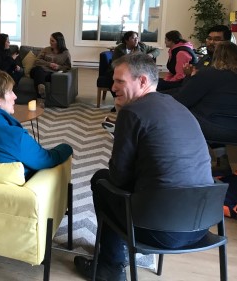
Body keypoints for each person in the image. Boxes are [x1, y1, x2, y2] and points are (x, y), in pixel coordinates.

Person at [74, 53, 212, 281]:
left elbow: (118, 178)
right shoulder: (177, 106)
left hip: (162, 231)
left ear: (143, 82)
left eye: (120, 81)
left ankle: (110, 266)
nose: (112, 86)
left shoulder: (132, 112)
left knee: (101, 180)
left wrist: (120, 115)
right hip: (202, 224)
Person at [0, 70, 73, 180]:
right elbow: (48, 160)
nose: (15, 96)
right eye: (10, 92)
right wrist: (66, 147)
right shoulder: (16, 137)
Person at [173, 41, 237, 144]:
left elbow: (182, 100)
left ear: (216, 56)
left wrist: (190, 77)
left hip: (215, 127)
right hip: (232, 127)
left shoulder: (209, 74)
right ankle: (221, 154)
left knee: (176, 112)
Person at [30, 32, 72, 99]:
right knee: (39, 71)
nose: (50, 42)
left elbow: (68, 67)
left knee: (42, 77)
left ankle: (40, 96)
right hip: (37, 71)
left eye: (52, 41)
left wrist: (58, 67)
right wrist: (49, 64)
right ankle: (41, 88)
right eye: (50, 40)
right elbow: (37, 61)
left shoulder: (65, 53)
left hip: (50, 73)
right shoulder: (46, 49)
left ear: (59, 42)